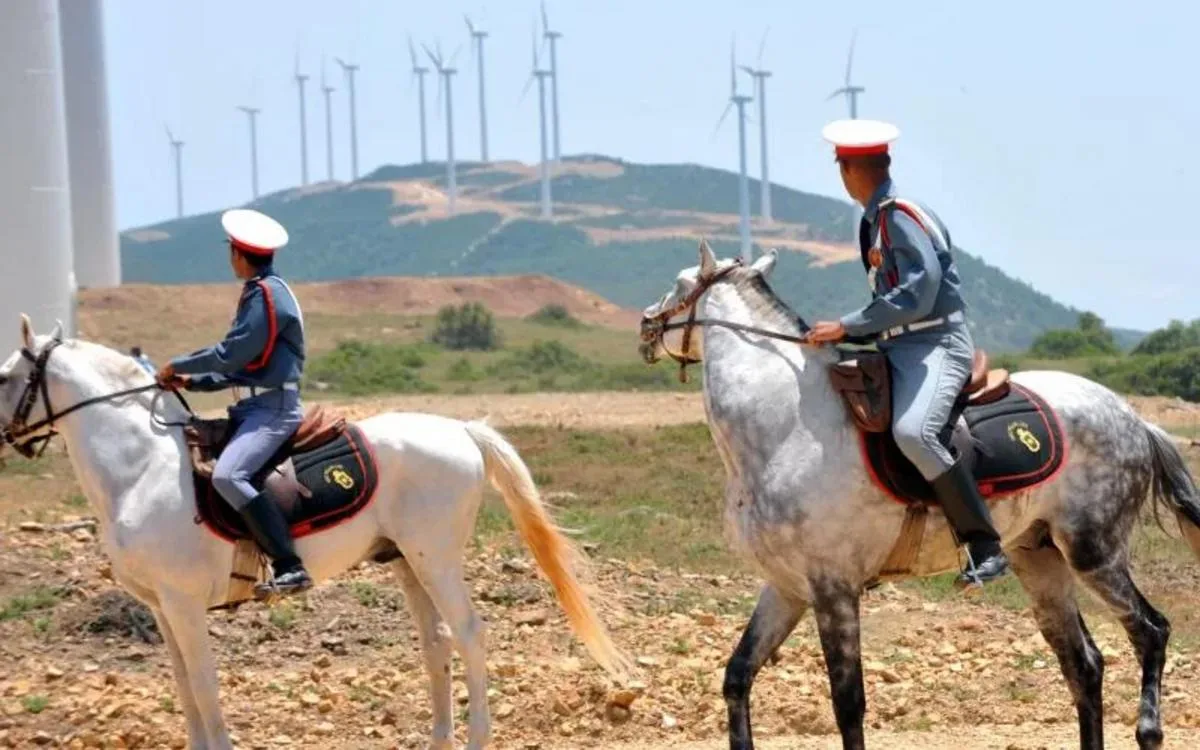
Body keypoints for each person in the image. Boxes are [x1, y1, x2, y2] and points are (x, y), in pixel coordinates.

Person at [810, 119, 1009, 588]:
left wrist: (848, 325)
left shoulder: (898, 216)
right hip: (899, 344)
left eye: (841, 168)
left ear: (848, 170)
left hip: (935, 343)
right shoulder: (879, 219)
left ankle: (985, 545)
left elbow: (921, 291)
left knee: (914, 432)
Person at [155, 208, 312, 597]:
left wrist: (179, 364)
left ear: (238, 254)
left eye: (231, 253)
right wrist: (194, 382)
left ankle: (289, 566)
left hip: (272, 409)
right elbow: (242, 368)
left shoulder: (267, 295)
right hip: (253, 406)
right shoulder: (263, 291)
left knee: (228, 476)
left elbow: (232, 354)